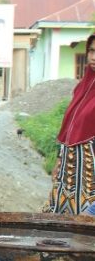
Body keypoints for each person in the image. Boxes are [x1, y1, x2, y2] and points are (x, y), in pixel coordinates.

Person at [47, 34, 95, 214]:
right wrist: (60, 159)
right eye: (91, 51)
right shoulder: (82, 88)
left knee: (86, 232)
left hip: (90, 178)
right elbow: (71, 127)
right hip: (69, 175)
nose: (93, 57)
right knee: (60, 230)